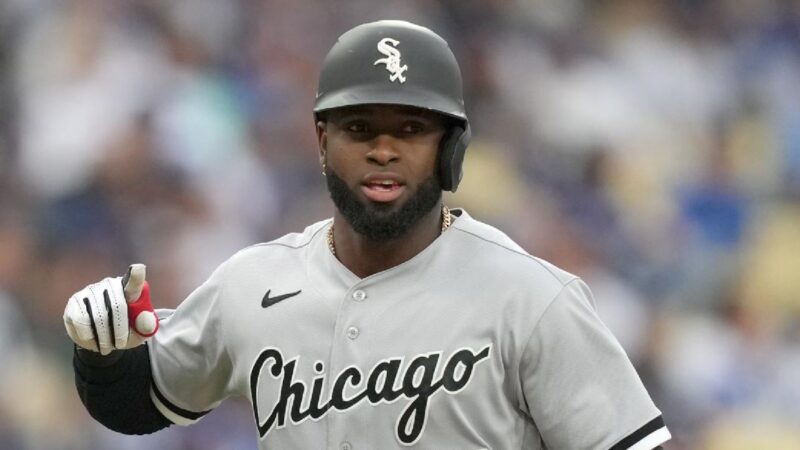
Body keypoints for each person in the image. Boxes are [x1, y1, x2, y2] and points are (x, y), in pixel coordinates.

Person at [63, 20, 671, 449]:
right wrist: (101, 352)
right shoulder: (253, 284)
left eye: (410, 128)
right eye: (359, 127)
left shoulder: (532, 298)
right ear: (324, 142)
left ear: (450, 148)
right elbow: (140, 402)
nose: (384, 149)